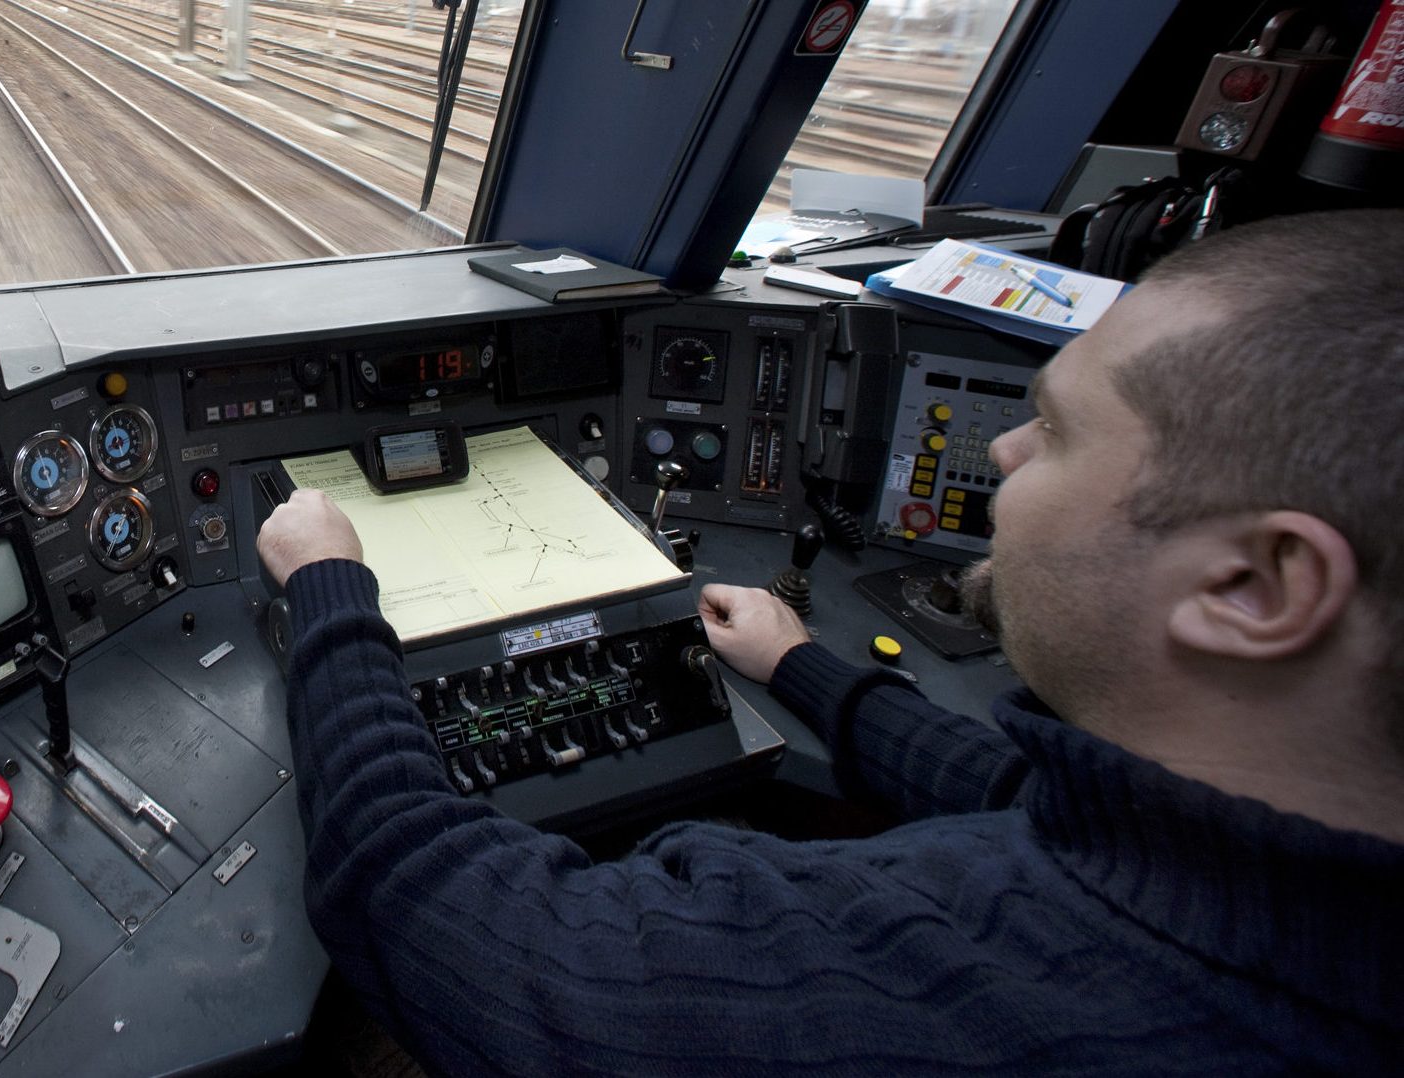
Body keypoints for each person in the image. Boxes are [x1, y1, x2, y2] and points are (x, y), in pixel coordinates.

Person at [255, 209, 1403, 1075]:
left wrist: (332, 593)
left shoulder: (934, 995)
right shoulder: (1290, 889)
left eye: (1051, 432)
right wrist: (803, 667)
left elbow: (431, 911)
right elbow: (1019, 792)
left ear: (1256, 584)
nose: (1001, 456)